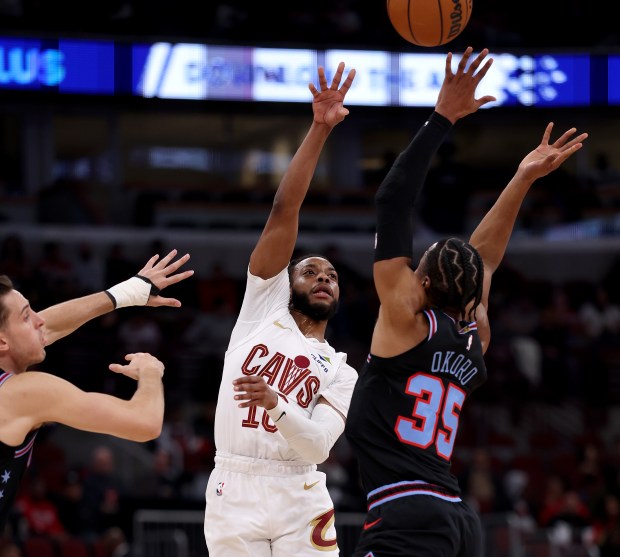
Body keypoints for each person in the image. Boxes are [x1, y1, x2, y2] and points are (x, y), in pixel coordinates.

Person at [344, 46, 587, 557]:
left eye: (422, 261)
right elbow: (487, 258)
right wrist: (521, 179)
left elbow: (393, 203)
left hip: (409, 514)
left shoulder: (405, 321)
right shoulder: (475, 335)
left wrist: (441, 118)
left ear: (423, 285)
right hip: (455, 519)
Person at [203, 62, 358, 556]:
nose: (323, 278)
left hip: (301, 490)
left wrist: (276, 403)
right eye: (310, 270)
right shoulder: (262, 306)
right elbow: (283, 212)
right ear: (285, 281)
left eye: (332, 275)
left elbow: (317, 447)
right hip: (234, 484)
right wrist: (319, 128)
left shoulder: (342, 370)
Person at [0, 248, 193, 530]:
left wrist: (124, 294)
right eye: (26, 317)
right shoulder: (22, 393)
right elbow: (145, 423)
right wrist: (151, 373)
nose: (40, 320)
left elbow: (49, 326)